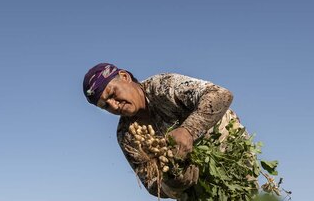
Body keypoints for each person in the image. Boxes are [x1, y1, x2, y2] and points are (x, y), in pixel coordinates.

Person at [83, 62, 242, 199]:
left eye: (112, 94)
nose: (114, 106)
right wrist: (172, 182)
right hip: (198, 190)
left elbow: (220, 95)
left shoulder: (162, 86)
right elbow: (150, 184)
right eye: (106, 106)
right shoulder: (127, 135)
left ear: (125, 77)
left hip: (228, 151)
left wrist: (188, 130)